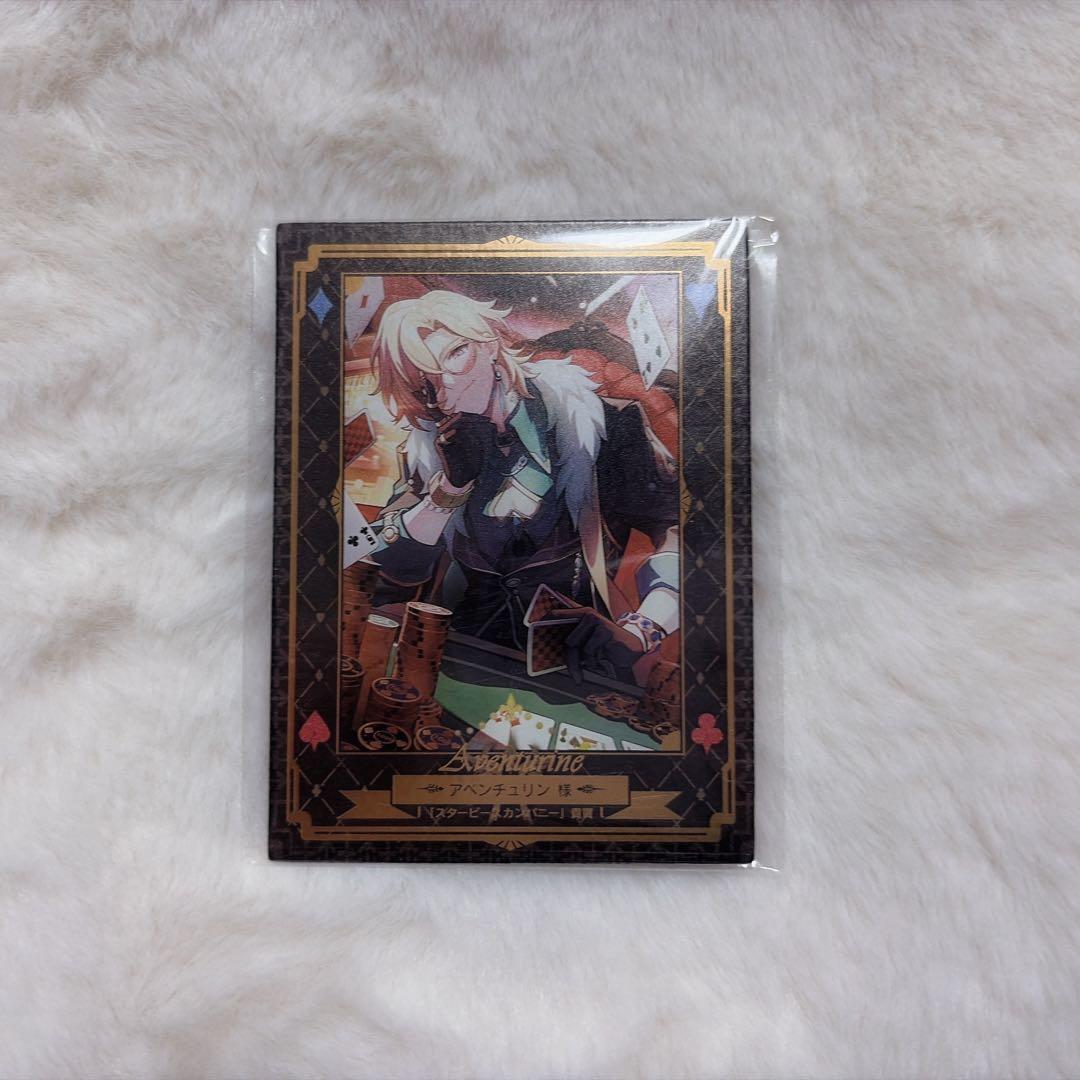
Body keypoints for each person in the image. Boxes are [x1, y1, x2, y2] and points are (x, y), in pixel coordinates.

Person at [367, 290, 679, 686]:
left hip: (572, 656)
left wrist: (644, 628)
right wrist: (449, 488)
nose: (446, 385)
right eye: (422, 379)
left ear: (489, 343)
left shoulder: (598, 423)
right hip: (454, 655)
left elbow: (677, 534)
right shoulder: (430, 448)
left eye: (454, 355)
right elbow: (395, 565)